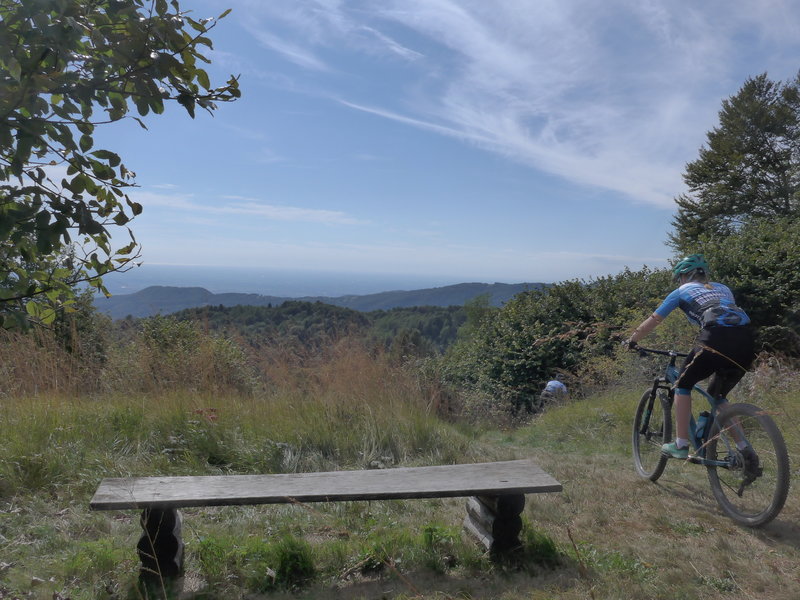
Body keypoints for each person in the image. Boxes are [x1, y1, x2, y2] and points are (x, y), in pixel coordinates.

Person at [624, 254, 756, 459]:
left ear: (683, 276)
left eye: (679, 278)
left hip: (714, 339)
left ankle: (681, 444)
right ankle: (744, 450)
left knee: (682, 385)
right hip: (747, 341)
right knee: (718, 396)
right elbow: (726, 315)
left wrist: (632, 340)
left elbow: (654, 320)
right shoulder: (724, 288)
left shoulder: (680, 292)